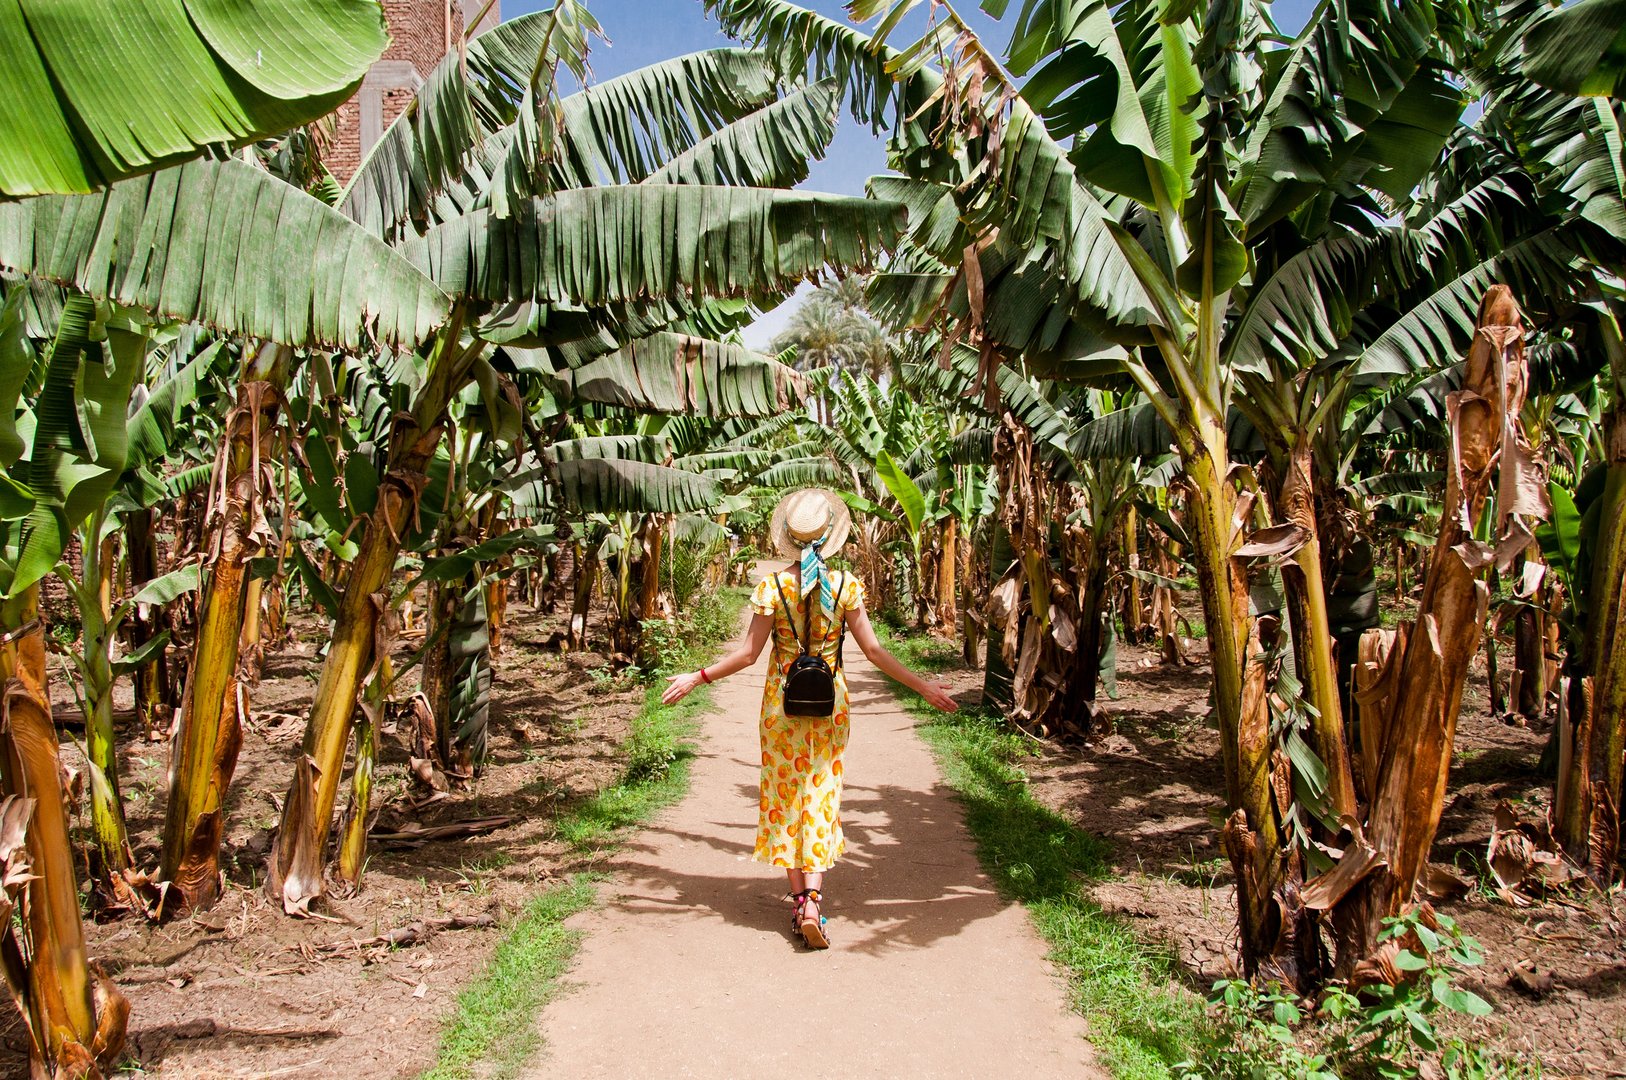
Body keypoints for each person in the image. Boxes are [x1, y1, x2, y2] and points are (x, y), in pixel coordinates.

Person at [662, 488, 958, 949]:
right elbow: (875, 652)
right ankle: (816, 901)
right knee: (821, 795)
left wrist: (696, 677)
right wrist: (924, 687)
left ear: (790, 539)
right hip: (831, 707)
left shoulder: (772, 588)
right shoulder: (845, 587)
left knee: (785, 795)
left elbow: (746, 655)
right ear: (831, 537)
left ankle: (799, 900)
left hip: (781, 708)